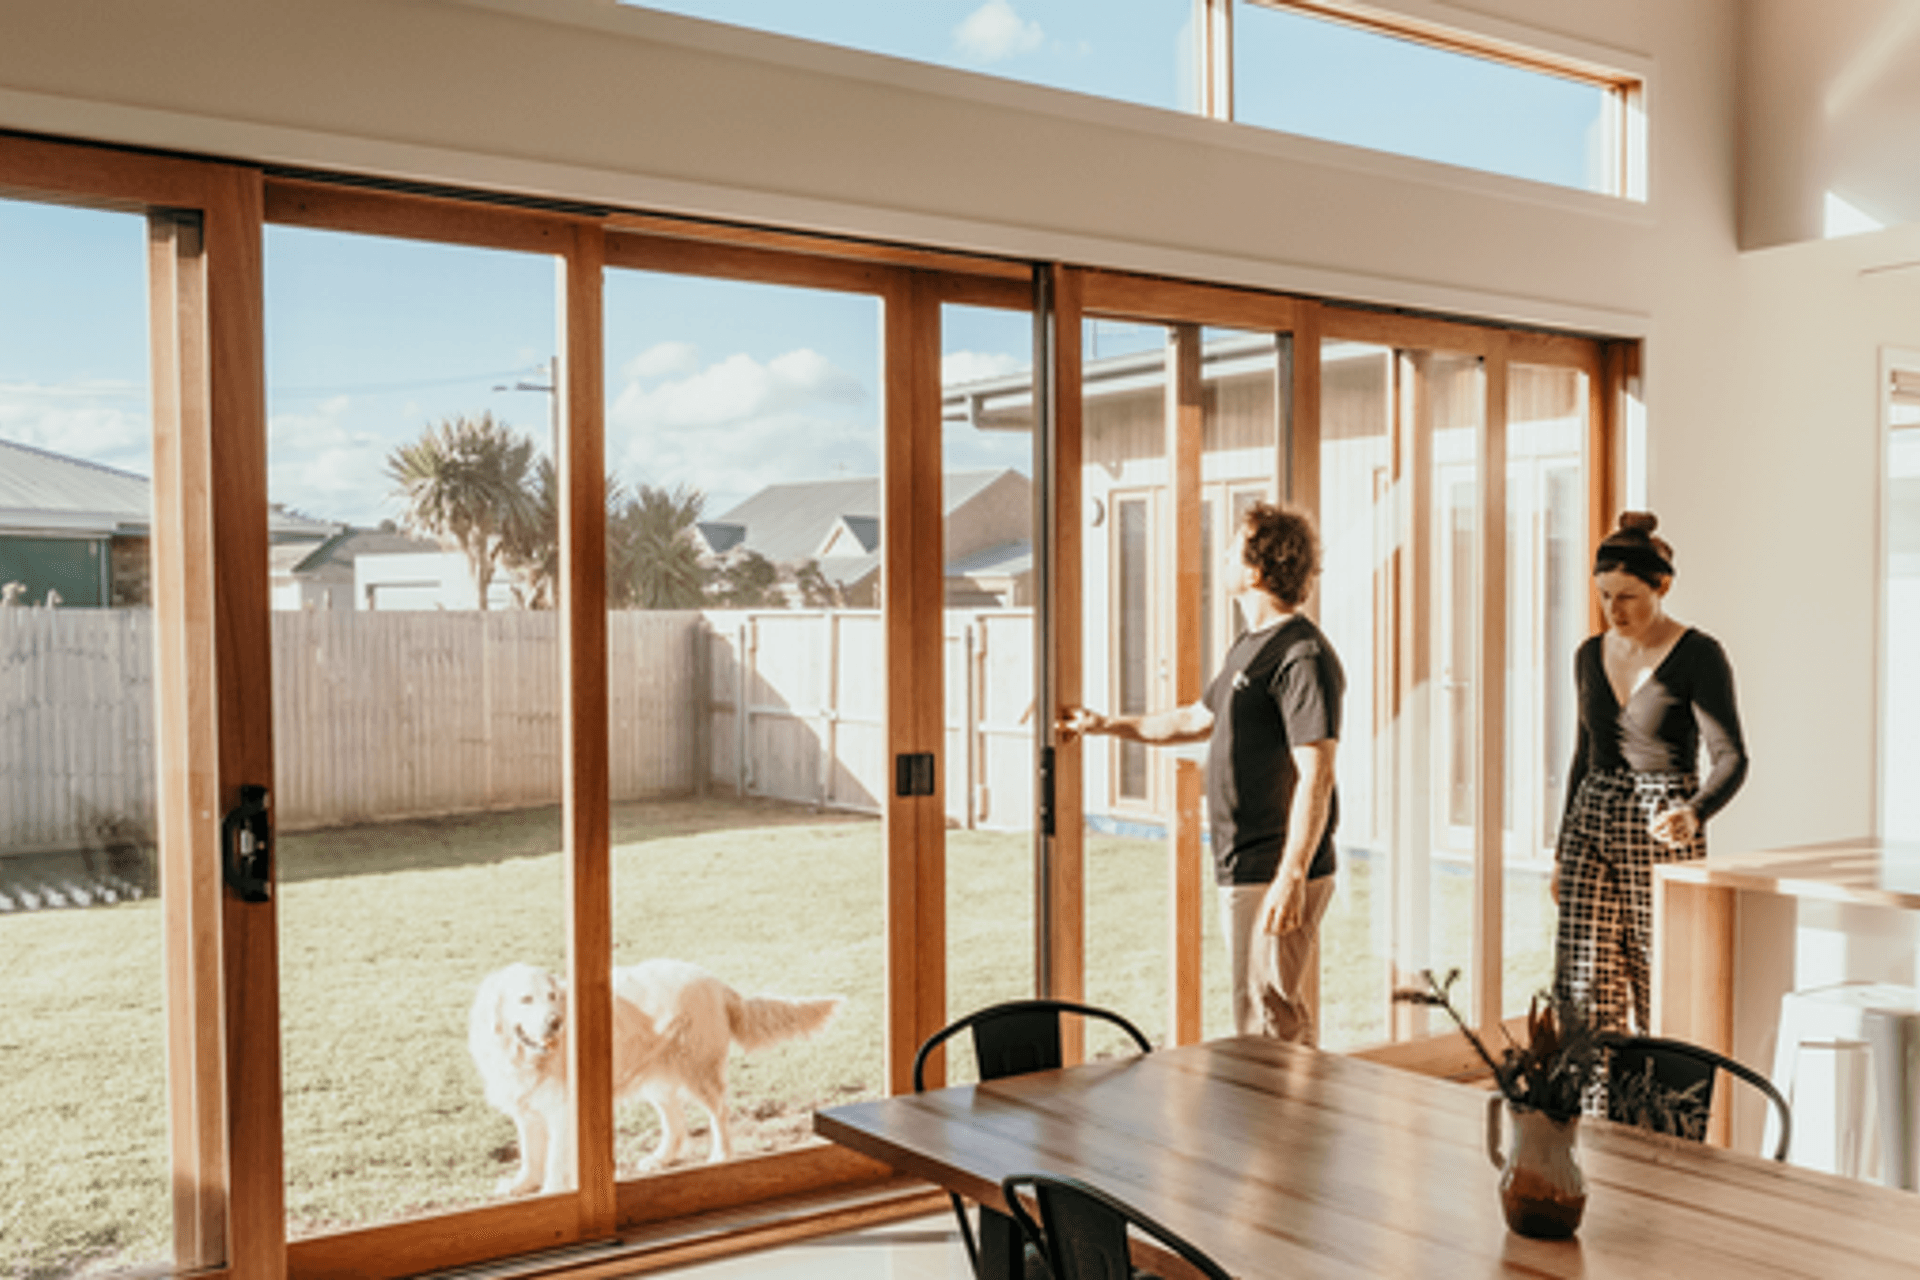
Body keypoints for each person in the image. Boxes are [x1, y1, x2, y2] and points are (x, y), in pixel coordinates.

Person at [1062, 502, 1344, 1044]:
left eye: (1233, 547)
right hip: (1247, 860)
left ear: (1257, 570)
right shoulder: (1251, 648)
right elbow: (1195, 718)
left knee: (1270, 1019)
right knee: (1259, 1011)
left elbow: (1318, 775)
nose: (1222, 556)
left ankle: (1282, 1129)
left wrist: (1291, 876)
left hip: (1275, 864)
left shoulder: (1301, 656)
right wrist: (1105, 725)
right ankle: (1274, 1125)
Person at [1553, 511, 1748, 1036]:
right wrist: (1560, 850)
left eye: (1627, 596)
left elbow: (1731, 756)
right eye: (1604, 595)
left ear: (1660, 587)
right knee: (1585, 983)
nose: (1612, 609)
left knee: (1662, 978)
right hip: (1591, 820)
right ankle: (1593, 1115)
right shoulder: (1588, 656)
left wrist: (1695, 811)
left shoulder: (1699, 655)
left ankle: (1657, 1118)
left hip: (1663, 823)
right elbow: (1583, 754)